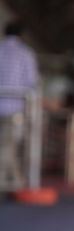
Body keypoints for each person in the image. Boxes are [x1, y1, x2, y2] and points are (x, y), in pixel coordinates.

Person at [0, 21, 39, 189]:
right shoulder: (26, 54)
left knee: (6, 146)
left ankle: (14, 180)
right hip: (14, 108)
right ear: (22, 35)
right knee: (9, 145)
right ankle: (6, 181)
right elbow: (32, 82)